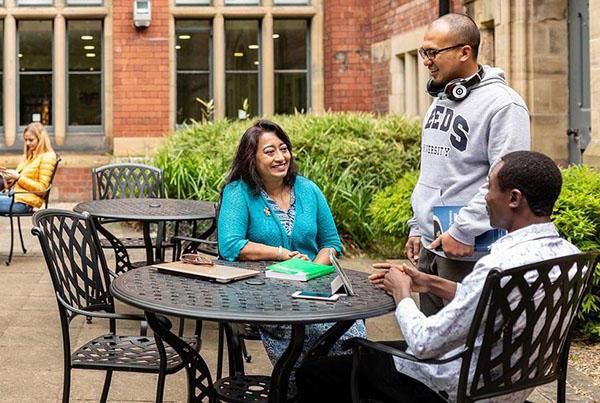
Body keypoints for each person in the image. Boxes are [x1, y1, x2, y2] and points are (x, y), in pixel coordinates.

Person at [297, 151, 579, 403]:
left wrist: (402, 293)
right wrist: (430, 283)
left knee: (315, 371)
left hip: (454, 387)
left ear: (515, 198)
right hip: (509, 383)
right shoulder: (568, 256)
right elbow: (495, 301)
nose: (485, 198)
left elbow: (424, 342)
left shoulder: (498, 264)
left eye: (489, 188)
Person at [406, 13, 531, 315]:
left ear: (464, 52)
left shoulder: (503, 105)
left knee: (466, 348)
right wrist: (416, 225)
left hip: (467, 248)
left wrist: (463, 231)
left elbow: (506, 180)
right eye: (424, 52)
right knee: (432, 346)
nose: (426, 60)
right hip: (432, 243)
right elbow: (434, 172)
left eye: (433, 52)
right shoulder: (443, 96)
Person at [218, 119, 366, 366]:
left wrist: (313, 271)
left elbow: (331, 243)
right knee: (308, 338)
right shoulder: (238, 192)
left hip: (316, 291)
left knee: (349, 331)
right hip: (267, 295)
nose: (280, 157)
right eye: (270, 151)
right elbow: (231, 245)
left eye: (283, 148)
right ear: (251, 158)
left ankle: (337, 386)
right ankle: (297, 386)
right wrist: (280, 254)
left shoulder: (308, 190)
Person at [0, 122, 57, 213]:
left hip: (24, 203)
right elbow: (20, 182)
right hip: (15, 197)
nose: (27, 143)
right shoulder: (29, 156)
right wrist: (8, 178)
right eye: (26, 140)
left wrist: (18, 177)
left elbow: (42, 190)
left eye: (31, 140)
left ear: (40, 139)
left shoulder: (48, 157)